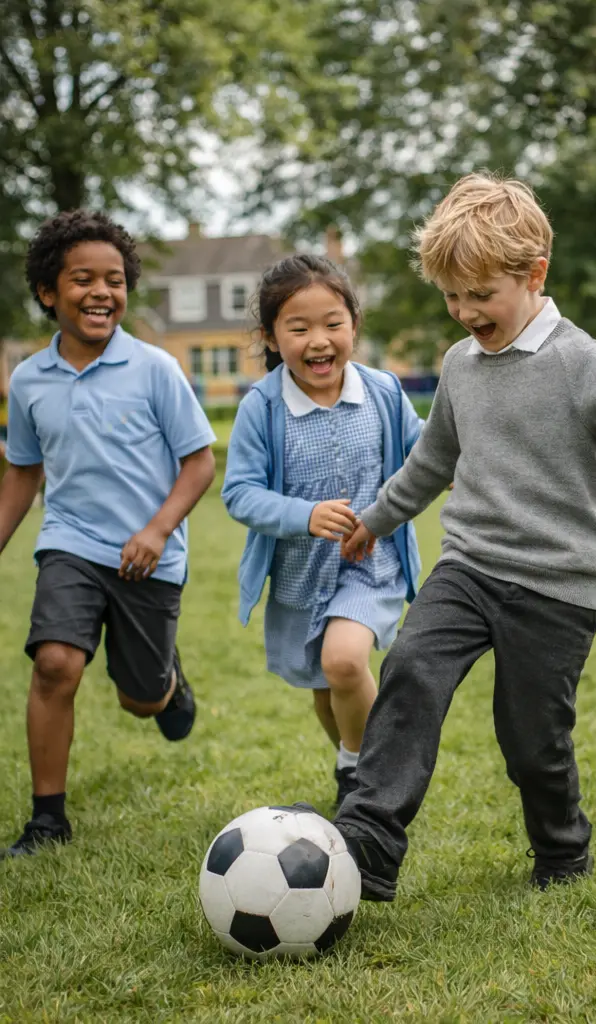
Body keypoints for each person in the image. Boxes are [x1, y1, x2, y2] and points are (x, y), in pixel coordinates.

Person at [333, 172, 596, 902]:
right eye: (452, 297)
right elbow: (432, 461)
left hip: (556, 585)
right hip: (469, 567)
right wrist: (376, 519)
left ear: (534, 274)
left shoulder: (578, 360)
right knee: (411, 667)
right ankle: (369, 842)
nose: (463, 311)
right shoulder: (457, 364)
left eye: (480, 295)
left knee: (531, 742)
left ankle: (561, 849)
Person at [0, 210, 216, 858]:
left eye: (115, 280)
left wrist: (156, 530)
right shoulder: (30, 381)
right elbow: (23, 471)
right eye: (83, 279)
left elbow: (199, 462)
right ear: (48, 292)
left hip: (148, 556)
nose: (102, 292)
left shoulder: (155, 369)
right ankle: (47, 819)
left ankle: (167, 684)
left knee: (140, 702)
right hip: (69, 542)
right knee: (55, 665)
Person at [222, 255, 423, 812]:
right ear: (269, 336)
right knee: (323, 686)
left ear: (354, 325)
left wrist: (465, 454)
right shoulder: (261, 408)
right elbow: (238, 493)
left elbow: (426, 450)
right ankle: (356, 766)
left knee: (343, 662)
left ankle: (364, 776)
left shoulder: (382, 392)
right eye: (299, 327)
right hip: (299, 578)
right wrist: (302, 514)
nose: (319, 341)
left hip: (370, 565)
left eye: (333, 324)